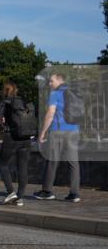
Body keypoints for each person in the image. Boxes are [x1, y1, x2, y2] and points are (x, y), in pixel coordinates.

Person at [35, 72, 81, 202]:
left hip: (58, 131)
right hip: (74, 131)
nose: (49, 83)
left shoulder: (55, 94)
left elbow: (50, 113)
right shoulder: (74, 92)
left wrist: (43, 132)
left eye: (51, 81)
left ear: (59, 80)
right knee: (73, 163)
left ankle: (47, 191)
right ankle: (75, 194)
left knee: (52, 161)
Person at [0, 81, 33, 206]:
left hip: (11, 137)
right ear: (16, 90)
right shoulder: (24, 102)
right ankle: (20, 198)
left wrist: (3, 122)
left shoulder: (5, 102)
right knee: (22, 167)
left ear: (5, 91)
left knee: (3, 164)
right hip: (26, 138)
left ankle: (10, 192)